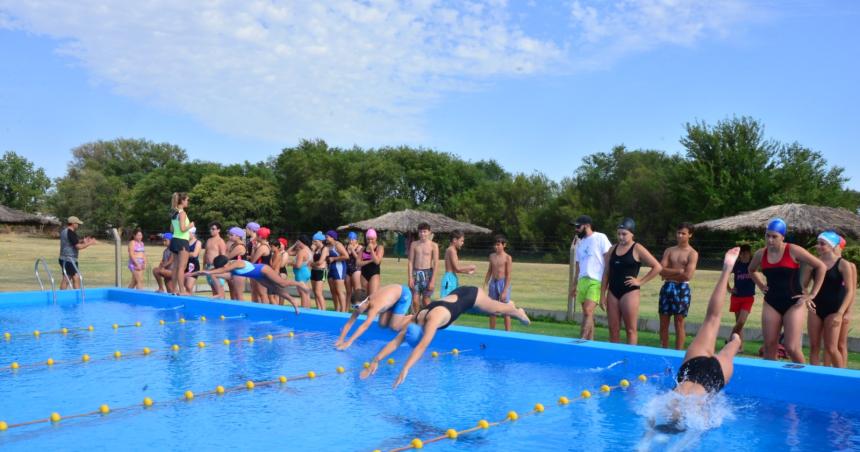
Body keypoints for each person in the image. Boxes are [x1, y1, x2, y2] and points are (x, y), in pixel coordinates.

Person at [645, 248, 746, 438]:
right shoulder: (666, 405)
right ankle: (726, 269)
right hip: (691, 368)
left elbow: (703, 426)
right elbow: (650, 415)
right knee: (712, 318)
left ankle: (735, 341)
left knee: (729, 348)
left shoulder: (691, 415)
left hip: (712, 378)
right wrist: (646, 440)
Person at [359, 286, 531, 389]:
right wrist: (376, 359)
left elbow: (421, 347)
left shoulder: (431, 321)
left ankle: (516, 310)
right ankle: (509, 306)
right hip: (458, 294)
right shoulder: (416, 318)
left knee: (496, 310)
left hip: (470, 295)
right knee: (495, 308)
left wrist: (405, 369)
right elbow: (397, 341)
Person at [748, 218, 825, 363]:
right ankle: (771, 380)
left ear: (783, 237)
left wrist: (812, 294)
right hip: (771, 302)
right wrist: (761, 285)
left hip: (794, 303)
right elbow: (751, 270)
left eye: (774, 236)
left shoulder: (793, 250)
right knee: (769, 345)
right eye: (767, 235)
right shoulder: (760, 253)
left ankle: (803, 378)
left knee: (791, 347)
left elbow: (821, 266)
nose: (770, 240)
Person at [599, 218, 662, 345]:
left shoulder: (637, 248)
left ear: (632, 234)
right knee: (613, 329)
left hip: (629, 293)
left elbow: (657, 267)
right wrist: (602, 295)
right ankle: (614, 358)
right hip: (613, 291)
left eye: (624, 234)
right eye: (619, 234)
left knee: (631, 330)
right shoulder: (612, 249)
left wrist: (640, 281)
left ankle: (630, 360)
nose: (621, 237)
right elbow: (606, 272)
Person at [191, 256, 308, 314]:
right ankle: (293, 301)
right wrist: (198, 272)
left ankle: (299, 283)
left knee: (281, 283)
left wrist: (209, 272)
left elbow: (222, 270)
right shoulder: (230, 268)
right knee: (275, 289)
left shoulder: (236, 263)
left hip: (263, 270)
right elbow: (226, 274)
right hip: (257, 276)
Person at [803, 231, 853, 367]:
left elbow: (850, 291)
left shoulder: (843, 264)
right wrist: (807, 298)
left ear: (832, 246)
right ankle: (815, 378)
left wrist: (841, 313)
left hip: (834, 309)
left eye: (822, 244)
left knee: (831, 348)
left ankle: (841, 378)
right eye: (817, 243)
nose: (818, 246)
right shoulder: (812, 264)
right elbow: (803, 286)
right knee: (814, 347)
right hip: (815, 308)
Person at [569, 215, 612, 340]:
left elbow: (608, 258)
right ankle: (590, 342)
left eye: (578, 227)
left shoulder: (600, 237)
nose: (576, 229)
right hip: (582, 280)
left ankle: (581, 339)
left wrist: (607, 282)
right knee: (588, 314)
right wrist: (574, 284)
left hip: (596, 280)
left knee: (588, 311)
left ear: (587, 225)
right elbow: (578, 266)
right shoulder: (579, 243)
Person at [334, 284, 414, 350]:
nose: (356, 309)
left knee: (395, 327)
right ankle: (396, 317)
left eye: (357, 306)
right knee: (382, 324)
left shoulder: (374, 308)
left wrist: (349, 342)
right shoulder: (361, 305)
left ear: (365, 302)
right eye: (354, 306)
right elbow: (349, 323)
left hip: (403, 295)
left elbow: (364, 326)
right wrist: (340, 339)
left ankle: (413, 317)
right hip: (392, 299)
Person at [658, 223, 699, 350]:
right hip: (667, 287)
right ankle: (663, 350)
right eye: (678, 233)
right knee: (663, 322)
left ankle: (678, 353)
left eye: (683, 233)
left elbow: (687, 276)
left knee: (679, 322)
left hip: (682, 288)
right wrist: (678, 271)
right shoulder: (669, 250)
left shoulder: (692, 253)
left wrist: (669, 274)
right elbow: (660, 270)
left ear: (690, 235)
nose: (680, 235)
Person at [834, 237, 856, 367]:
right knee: (829, 345)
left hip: (843, 307)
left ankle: (844, 370)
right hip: (832, 307)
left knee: (841, 343)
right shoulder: (827, 264)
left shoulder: (849, 266)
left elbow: (851, 291)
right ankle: (827, 370)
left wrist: (848, 312)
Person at [408, 222, 439, 312]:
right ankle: (417, 318)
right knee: (415, 301)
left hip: (428, 274)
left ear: (429, 232)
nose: (422, 234)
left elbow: (436, 263)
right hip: (416, 273)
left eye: (425, 232)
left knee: (426, 300)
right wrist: (410, 278)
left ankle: (430, 317)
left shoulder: (434, 245)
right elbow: (410, 262)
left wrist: (432, 281)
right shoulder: (414, 244)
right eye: (420, 232)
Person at [484, 235, 513, 331]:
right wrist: (484, 284)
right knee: (492, 309)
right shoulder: (492, 256)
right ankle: (492, 332)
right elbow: (489, 271)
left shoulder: (507, 258)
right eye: (495, 245)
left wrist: (505, 290)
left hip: (503, 283)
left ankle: (508, 333)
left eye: (498, 245)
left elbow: (508, 275)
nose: (496, 247)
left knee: (506, 310)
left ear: (504, 245)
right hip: (493, 282)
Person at [58, 216, 96, 289]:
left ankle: (61, 296)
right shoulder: (71, 232)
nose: (78, 225)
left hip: (63, 258)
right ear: (73, 224)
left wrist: (82, 241)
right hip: (69, 259)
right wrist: (90, 243)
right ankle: (78, 297)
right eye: (77, 223)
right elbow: (79, 247)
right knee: (76, 277)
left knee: (67, 278)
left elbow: (71, 242)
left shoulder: (64, 231)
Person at [727, 244, 755, 340]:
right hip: (736, 296)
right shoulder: (736, 265)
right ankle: (739, 346)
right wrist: (729, 289)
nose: (744, 255)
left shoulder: (752, 264)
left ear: (749, 253)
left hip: (748, 297)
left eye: (746, 253)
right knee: (738, 323)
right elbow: (726, 275)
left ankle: (730, 339)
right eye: (742, 253)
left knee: (741, 322)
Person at [169, 193, 195, 295]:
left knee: (175, 266)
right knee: (181, 267)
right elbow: (183, 229)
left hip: (175, 240)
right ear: (182, 201)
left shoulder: (174, 214)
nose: (188, 202)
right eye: (187, 200)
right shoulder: (183, 213)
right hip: (182, 241)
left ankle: (174, 290)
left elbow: (172, 229)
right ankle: (182, 291)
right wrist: (191, 225)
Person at [441, 230, 476, 298]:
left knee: (453, 300)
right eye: (461, 241)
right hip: (449, 279)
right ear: (454, 240)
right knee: (446, 301)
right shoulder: (451, 250)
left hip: (452, 277)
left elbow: (455, 270)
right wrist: (470, 267)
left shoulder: (452, 250)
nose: (462, 243)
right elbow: (457, 268)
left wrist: (467, 272)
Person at [325, 230, 349, 312]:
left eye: (327, 237)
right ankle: (337, 309)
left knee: (339, 291)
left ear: (333, 237)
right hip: (331, 269)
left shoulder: (338, 245)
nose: (326, 238)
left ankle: (343, 311)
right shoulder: (328, 246)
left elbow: (346, 256)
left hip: (339, 268)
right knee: (333, 291)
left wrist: (334, 258)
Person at [204, 222, 228, 299]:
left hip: (216, 268)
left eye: (213, 229)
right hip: (208, 267)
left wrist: (221, 269)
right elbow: (206, 253)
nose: (211, 230)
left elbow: (223, 257)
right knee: (213, 289)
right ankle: (217, 308)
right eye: (210, 229)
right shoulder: (209, 240)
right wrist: (204, 265)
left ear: (218, 230)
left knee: (219, 290)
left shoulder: (220, 241)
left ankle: (223, 307)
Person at [249, 227, 272, 302]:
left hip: (262, 272)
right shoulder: (265, 246)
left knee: (262, 294)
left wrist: (255, 249)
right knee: (260, 293)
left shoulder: (263, 247)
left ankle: (265, 311)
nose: (255, 237)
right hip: (262, 271)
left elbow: (253, 260)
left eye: (257, 235)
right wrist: (254, 248)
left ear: (260, 236)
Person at [358, 229, 384, 296]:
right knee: (365, 297)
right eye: (368, 239)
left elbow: (377, 262)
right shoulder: (363, 249)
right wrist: (370, 261)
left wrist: (372, 250)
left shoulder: (379, 248)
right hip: (364, 274)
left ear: (376, 238)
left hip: (374, 273)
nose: (370, 241)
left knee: (373, 296)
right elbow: (357, 263)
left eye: (372, 239)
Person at [290, 235, 314, 308]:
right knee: (305, 293)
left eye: (298, 242)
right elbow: (310, 263)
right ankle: (308, 309)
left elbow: (298, 265)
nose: (297, 243)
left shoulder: (302, 252)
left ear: (301, 242)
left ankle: (304, 310)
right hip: (306, 271)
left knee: (302, 293)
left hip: (301, 273)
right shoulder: (309, 250)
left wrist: (290, 263)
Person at [225, 227, 248, 301]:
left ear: (238, 236)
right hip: (234, 270)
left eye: (232, 235)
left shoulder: (240, 246)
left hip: (239, 272)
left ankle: (242, 311)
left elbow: (228, 257)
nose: (229, 236)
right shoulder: (234, 245)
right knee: (234, 293)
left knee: (238, 294)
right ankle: (234, 310)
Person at [309, 231, 328, 310]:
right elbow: (310, 259)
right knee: (315, 292)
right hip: (314, 271)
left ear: (320, 241)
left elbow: (320, 262)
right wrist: (312, 250)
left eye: (315, 241)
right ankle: (318, 309)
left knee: (318, 292)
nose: (314, 243)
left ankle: (323, 310)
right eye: (313, 241)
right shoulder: (315, 249)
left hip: (322, 271)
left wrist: (311, 264)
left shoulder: (325, 248)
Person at [345, 231, 364, 307]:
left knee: (357, 290)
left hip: (356, 269)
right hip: (347, 270)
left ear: (356, 240)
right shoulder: (346, 246)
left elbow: (358, 259)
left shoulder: (360, 247)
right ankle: (346, 309)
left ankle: (358, 307)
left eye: (352, 239)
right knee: (348, 291)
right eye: (349, 239)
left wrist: (352, 250)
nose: (351, 241)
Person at [183, 228, 203, 294]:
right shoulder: (185, 241)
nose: (186, 235)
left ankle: (190, 301)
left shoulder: (198, 242)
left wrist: (184, 253)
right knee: (184, 286)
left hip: (193, 265)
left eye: (187, 233)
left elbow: (195, 254)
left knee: (189, 287)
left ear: (192, 233)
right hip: (184, 264)